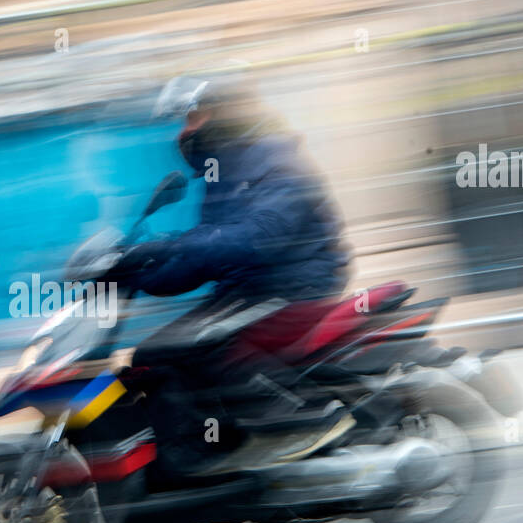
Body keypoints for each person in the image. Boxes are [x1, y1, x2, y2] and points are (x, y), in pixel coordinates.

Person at [108, 71, 355, 472]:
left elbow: (256, 237)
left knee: (213, 345)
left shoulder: (277, 160)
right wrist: (133, 272)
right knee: (154, 353)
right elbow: (207, 254)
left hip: (296, 287)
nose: (181, 134)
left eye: (191, 118)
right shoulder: (224, 171)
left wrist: (165, 246)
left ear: (225, 114)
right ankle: (200, 452)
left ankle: (309, 418)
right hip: (248, 290)